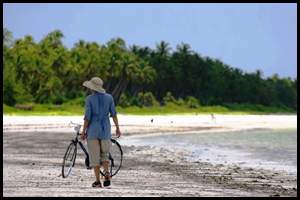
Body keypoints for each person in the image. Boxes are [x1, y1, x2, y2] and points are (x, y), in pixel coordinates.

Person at [81, 77, 121, 188]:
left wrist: (83, 132)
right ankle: (107, 172)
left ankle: (98, 181)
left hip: (93, 131)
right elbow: (114, 114)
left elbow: (87, 118)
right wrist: (117, 128)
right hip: (105, 130)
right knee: (104, 154)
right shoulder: (109, 98)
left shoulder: (89, 99)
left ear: (92, 88)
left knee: (94, 157)